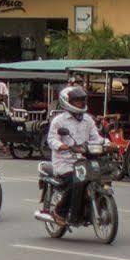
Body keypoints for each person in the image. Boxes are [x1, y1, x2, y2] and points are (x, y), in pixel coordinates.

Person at [39, 83, 106, 223]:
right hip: (64, 162)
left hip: (84, 160)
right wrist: (62, 146)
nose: (81, 103)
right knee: (75, 181)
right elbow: (51, 139)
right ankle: (60, 211)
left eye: (83, 100)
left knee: (100, 178)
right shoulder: (59, 121)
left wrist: (108, 144)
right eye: (77, 100)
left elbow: (96, 138)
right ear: (67, 102)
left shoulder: (88, 119)